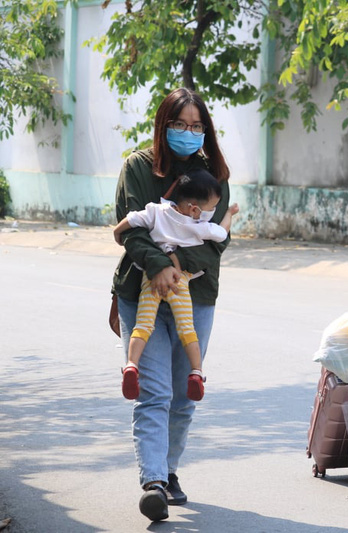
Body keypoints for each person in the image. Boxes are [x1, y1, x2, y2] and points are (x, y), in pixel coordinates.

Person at [112, 87, 233, 521]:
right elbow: (130, 228)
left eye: (196, 126)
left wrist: (175, 264)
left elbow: (217, 240)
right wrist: (158, 266)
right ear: (163, 126)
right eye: (179, 124)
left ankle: (170, 469)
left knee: (184, 395)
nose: (188, 132)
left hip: (196, 294)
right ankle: (154, 482)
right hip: (139, 291)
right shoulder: (139, 167)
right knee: (154, 392)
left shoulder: (214, 173)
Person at [113, 169, 239, 402]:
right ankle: (196, 373)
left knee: (143, 325)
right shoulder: (200, 225)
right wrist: (230, 213)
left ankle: (132, 365)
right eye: (210, 208)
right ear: (194, 209)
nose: (211, 212)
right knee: (187, 329)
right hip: (180, 283)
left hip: (152, 279)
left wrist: (117, 232)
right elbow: (223, 232)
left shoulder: (155, 211)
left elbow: (130, 220)